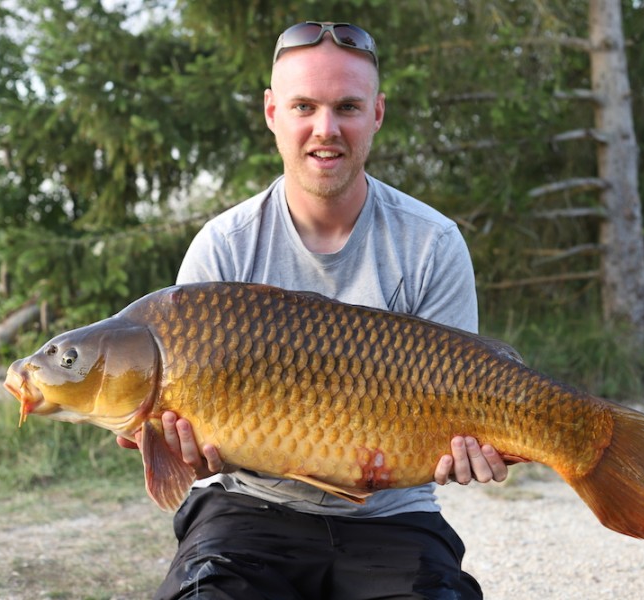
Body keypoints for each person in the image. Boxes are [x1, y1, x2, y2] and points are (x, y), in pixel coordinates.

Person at [119, 21, 513, 599]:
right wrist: (188, 457)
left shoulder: (432, 242)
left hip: (392, 517)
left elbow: (462, 402)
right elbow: (195, 461)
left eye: (347, 107)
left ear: (376, 113)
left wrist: (468, 449)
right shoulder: (223, 247)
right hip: (249, 512)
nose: (324, 129)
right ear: (272, 112)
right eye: (304, 106)